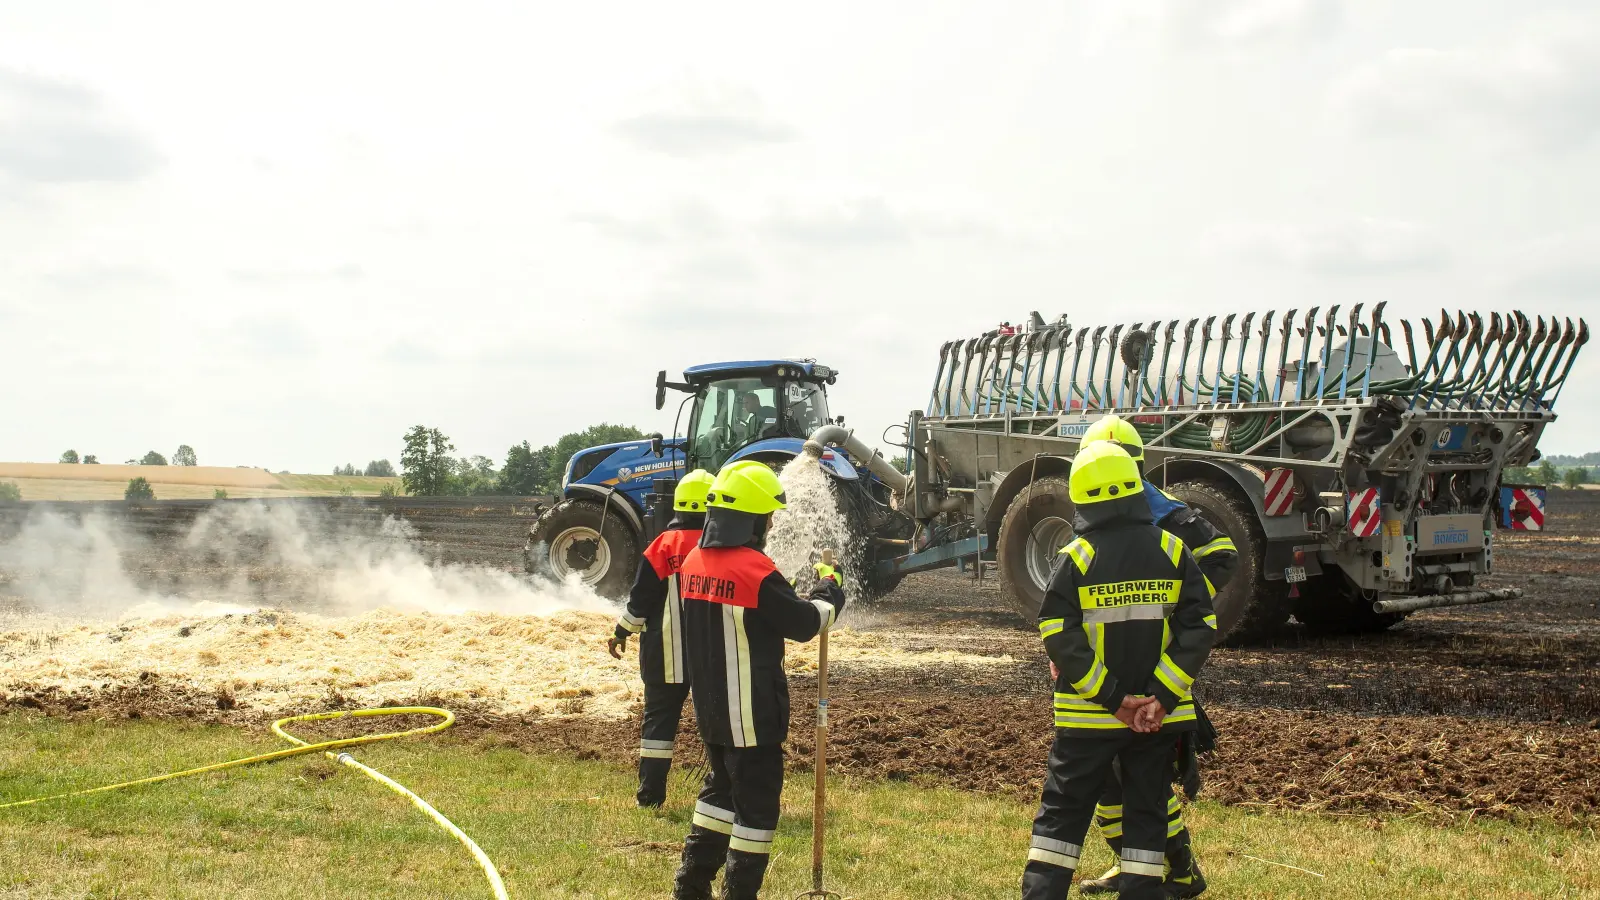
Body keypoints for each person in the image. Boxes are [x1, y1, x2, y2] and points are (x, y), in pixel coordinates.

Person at [1024, 442, 1217, 900]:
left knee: (1062, 816)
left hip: (1088, 719)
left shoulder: (1076, 557)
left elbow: (1057, 632)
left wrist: (1112, 699)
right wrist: (1160, 698)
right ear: (1136, 489)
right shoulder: (1173, 550)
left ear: (1081, 498)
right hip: (1156, 720)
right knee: (1146, 815)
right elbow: (1199, 627)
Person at [1075, 415, 1235, 897]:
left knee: (1140, 781)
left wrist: (1180, 606)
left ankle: (1180, 870)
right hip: (1104, 672)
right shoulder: (1095, 508)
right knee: (1108, 783)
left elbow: (1222, 553)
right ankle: (1132, 865)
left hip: (1151, 669)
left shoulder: (1163, 510)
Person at [671, 460, 845, 900]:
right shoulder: (754, 571)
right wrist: (830, 587)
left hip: (712, 712)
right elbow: (806, 623)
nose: (770, 525)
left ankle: (690, 887)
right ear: (749, 520)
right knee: (757, 813)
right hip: (751, 714)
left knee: (718, 794)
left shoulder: (694, 561)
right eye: (767, 516)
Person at [609, 469, 717, 808]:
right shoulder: (719, 547)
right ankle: (723, 796)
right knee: (718, 727)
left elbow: (641, 599)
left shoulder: (662, 546)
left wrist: (622, 631)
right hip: (713, 657)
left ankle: (650, 797)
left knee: (658, 725)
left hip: (663, 654)